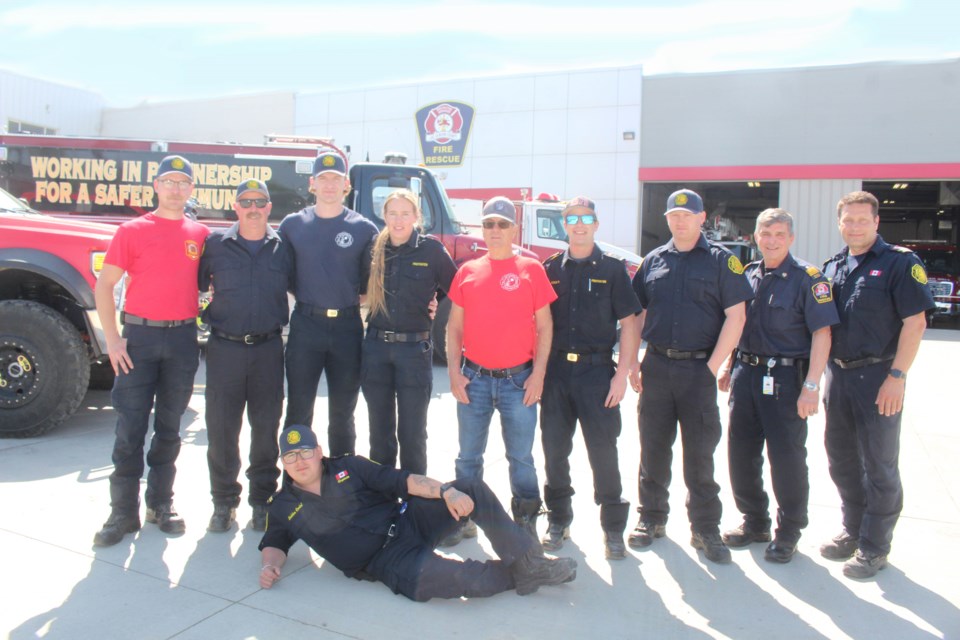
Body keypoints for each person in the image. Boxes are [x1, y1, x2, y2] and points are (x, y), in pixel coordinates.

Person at [258, 425, 577, 601]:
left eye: (304, 453)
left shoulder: (349, 466)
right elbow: (276, 541)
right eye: (290, 456)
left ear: (318, 452)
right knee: (468, 582)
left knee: (471, 489)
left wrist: (445, 491)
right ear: (283, 463)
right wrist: (271, 567)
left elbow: (403, 481)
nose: (299, 462)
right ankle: (519, 575)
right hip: (386, 562)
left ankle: (529, 563)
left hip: (407, 519)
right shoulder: (284, 506)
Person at [627, 188, 753, 564]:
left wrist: (713, 366)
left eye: (688, 214)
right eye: (673, 215)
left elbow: (737, 316)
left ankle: (705, 528)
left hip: (698, 370)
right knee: (653, 449)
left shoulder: (721, 261)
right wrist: (632, 361)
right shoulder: (653, 261)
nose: (680, 220)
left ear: (702, 218)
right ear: (667, 220)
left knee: (700, 455)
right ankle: (651, 518)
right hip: (658, 367)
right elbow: (636, 314)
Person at [92, 155, 210, 547]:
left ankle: (160, 504)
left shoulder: (201, 234)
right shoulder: (131, 230)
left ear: (191, 189)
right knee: (130, 428)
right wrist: (112, 340)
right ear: (156, 186)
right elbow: (104, 286)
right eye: (169, 181)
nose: (176, 189)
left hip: (181, 341)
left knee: (170, 429)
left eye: (183, 182)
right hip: (138, 340)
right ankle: (122, 512)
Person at [819, 190, 934, 579]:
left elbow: (915, 323)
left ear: (876, 222)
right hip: (839, 376)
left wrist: (897, 378)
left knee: (880, 464)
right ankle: (853, 530)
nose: (854, 226)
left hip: (879, 377)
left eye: (862, 220)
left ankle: (874, 546)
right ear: (840, 223)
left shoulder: (899, 263)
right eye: (848, 220)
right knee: (841, 459)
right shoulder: (833, 267)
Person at [717, 208, 839, 563]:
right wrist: (730, 365)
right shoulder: (748, 275)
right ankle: (755, 521)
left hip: (786, 379)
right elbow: (740, 326)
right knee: (740, 453)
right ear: (755, 237)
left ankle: (788, 532)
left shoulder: (807, 278)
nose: (771, 241)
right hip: (746, 374)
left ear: (791, 238)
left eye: (779, 235)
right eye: (765, 234)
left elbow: (822, 333)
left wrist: (812, 385)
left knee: (785, 458)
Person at [443, 196, 556, 545]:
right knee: (468, 457)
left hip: (518, 381)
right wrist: (453, 373)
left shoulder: (531, 269)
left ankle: (525, 523)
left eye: (502, 224)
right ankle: (465, 518)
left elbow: (545, 328)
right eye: (489, 224)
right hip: (474, 379)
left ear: (514, 229)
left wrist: (538, 375)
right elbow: (453, 329)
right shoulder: (467, 272)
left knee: (521, 457)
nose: (495, 230)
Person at [539, 197, 641, 560]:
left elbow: (629, 323)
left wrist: (623, 375)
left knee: (603, 452)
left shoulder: (613, 269)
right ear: (563, 225)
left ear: (596, 224)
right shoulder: (550, 268)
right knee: (554, 451)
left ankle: (613, 528)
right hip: (555, 375)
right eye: (571, 219)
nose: (579, 225)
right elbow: (537, 323)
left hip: (597, 373)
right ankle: (558, 520)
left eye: (585, 218)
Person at [198, 179, 294, 533]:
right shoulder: (214, 246)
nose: (253, 207)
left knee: (266, 429)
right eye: (245, 201)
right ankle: (223, 502)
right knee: (222, 430)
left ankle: (262, 502)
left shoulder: (284, 247)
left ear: (269, 207)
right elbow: (193, 287)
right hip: (224, 349)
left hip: (269, 349)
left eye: (260, 201)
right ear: (235, 207)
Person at [279, 151, 378, 456]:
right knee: (298, 411)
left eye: (336, 179)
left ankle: (342, 484)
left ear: (346, 184)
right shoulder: (293, 225)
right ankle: (295, 486)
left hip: (347, 328)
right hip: (306, 325)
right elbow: (285, 276)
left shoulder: (363, 229)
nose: (330, 186)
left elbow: (368, 286)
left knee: (342, 415)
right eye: (324, 179)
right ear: (313, 184)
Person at [361, 189, 457, 475]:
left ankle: (416, 502)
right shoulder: (373, 249)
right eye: (393, 213)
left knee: (413, 434)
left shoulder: (432, 250)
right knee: (380, 434)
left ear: (416, 216)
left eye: (405, 214)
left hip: (414, 352)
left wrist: (437, 305)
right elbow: (357, 290)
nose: (399, 220)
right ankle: (382, 497)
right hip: (376, 349)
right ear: (384, 215)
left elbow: (458, 291)